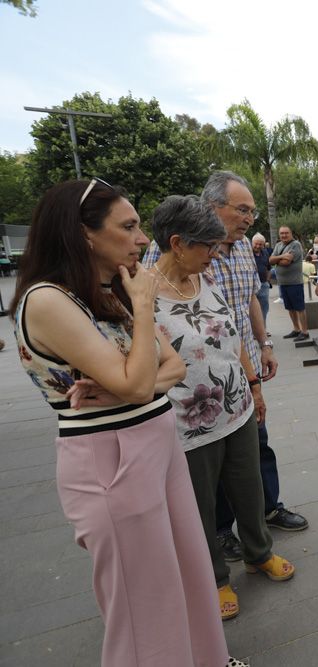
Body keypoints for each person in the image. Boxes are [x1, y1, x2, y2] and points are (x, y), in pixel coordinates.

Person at [11, 179, 243, 667]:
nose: (143, 239)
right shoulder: (49, 299)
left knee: (191, 574)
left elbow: (172, 369)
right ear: (84, 234)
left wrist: (123, 383)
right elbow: (141, 382)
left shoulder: (106, 292)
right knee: (145, 605)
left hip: (157, 442)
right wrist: (141, 312)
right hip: (110, 456)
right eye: (130, 226)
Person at [144, 171, 307, 563]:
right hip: (191, 406)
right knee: (205, 480)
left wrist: (262, 351)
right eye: (242, 209)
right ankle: (219, 538)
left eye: (252, 210)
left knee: (253, 456)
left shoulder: (231, 257)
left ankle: (264, 519)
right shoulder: (155, 271)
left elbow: (246, 305)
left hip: (238, 381)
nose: (250, 218)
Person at [270, 226, 308, 341]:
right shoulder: (278, 245)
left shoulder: (295, 245)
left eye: (286, 233)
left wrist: (277, 260)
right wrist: (281, 257)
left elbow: (286, 262)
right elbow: (270, 260)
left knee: (299, 308)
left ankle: (305, 332)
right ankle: (296, 329)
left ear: (291, 233)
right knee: (290, 308)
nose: (284, 235)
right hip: (283, 283)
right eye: (281, 233)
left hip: (294, 283)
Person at [251, 233, 272, 325]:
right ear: (252, 243)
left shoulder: (265, 253)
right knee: (251, 309)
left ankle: (263, 328)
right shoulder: (247, 254)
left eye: (260, 244)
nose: (258, 246)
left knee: (264, 308)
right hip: (251, 286)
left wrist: (267, 281)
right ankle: (253, 331)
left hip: (263, 284)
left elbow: (268, 268)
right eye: (256, 243)